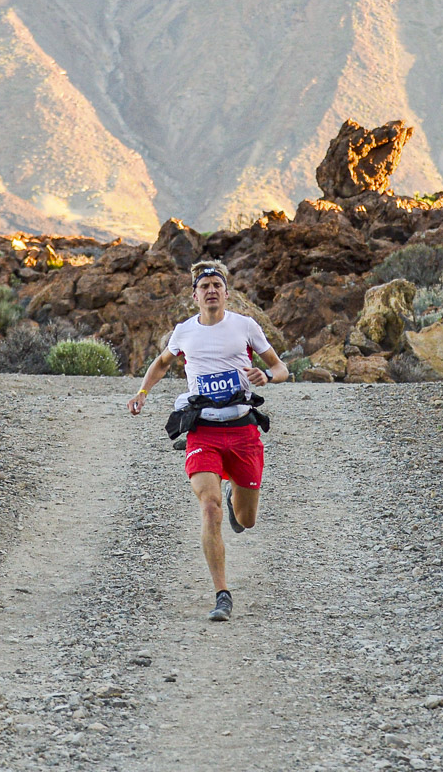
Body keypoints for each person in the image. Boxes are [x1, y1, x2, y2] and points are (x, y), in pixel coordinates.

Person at [129, 259, 289, 621]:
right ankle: (222, 594)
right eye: (205, 286)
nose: (211, 290)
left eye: (217, 284)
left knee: (245, 519)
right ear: (195, 295)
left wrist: (266, 376)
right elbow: (162, 363)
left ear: (227, 293)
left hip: (244, 429)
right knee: (209, 507)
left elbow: (281, 368)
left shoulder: (244, 326)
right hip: (203, 431)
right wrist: (143, 391)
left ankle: (237, 497)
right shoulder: (184, 331)